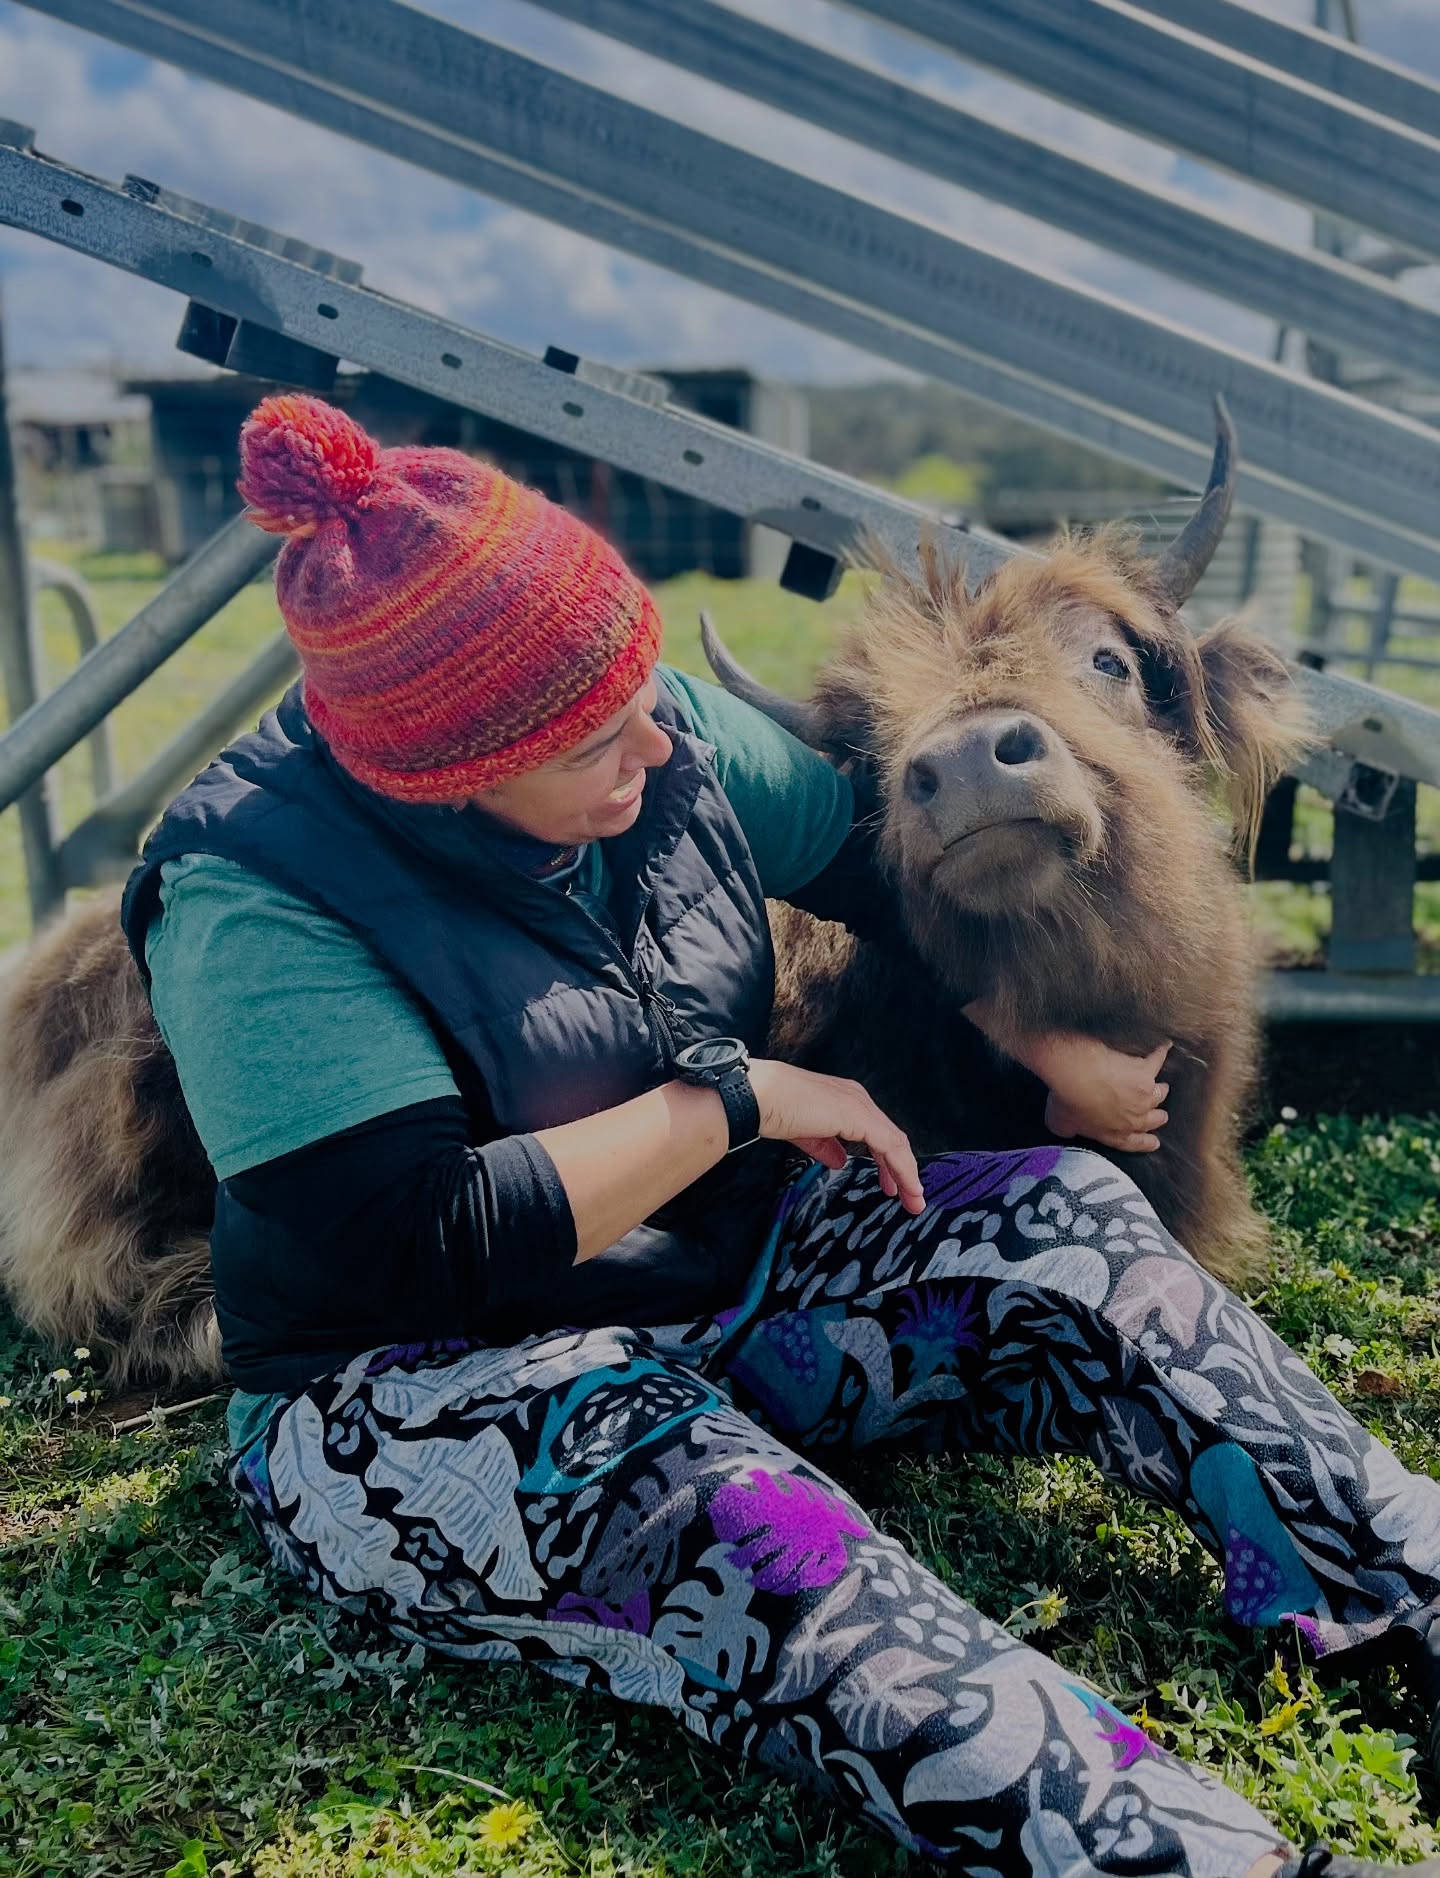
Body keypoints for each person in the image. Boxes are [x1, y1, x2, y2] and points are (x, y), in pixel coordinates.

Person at [121, 394, 1440, 1878]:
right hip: (421, 1381)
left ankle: (1395, 1572)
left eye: (643, 696)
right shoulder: (251, 900)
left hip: (720, 1277)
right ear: (443, 770)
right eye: (590, 744)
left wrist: (1035, 1037)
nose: (655, 745)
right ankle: (1196, 1859)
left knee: (1071, 1215)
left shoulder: (654, 735)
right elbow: (417, 1237)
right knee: (756, 1534)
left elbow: (881, 858)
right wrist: (739, 1098)